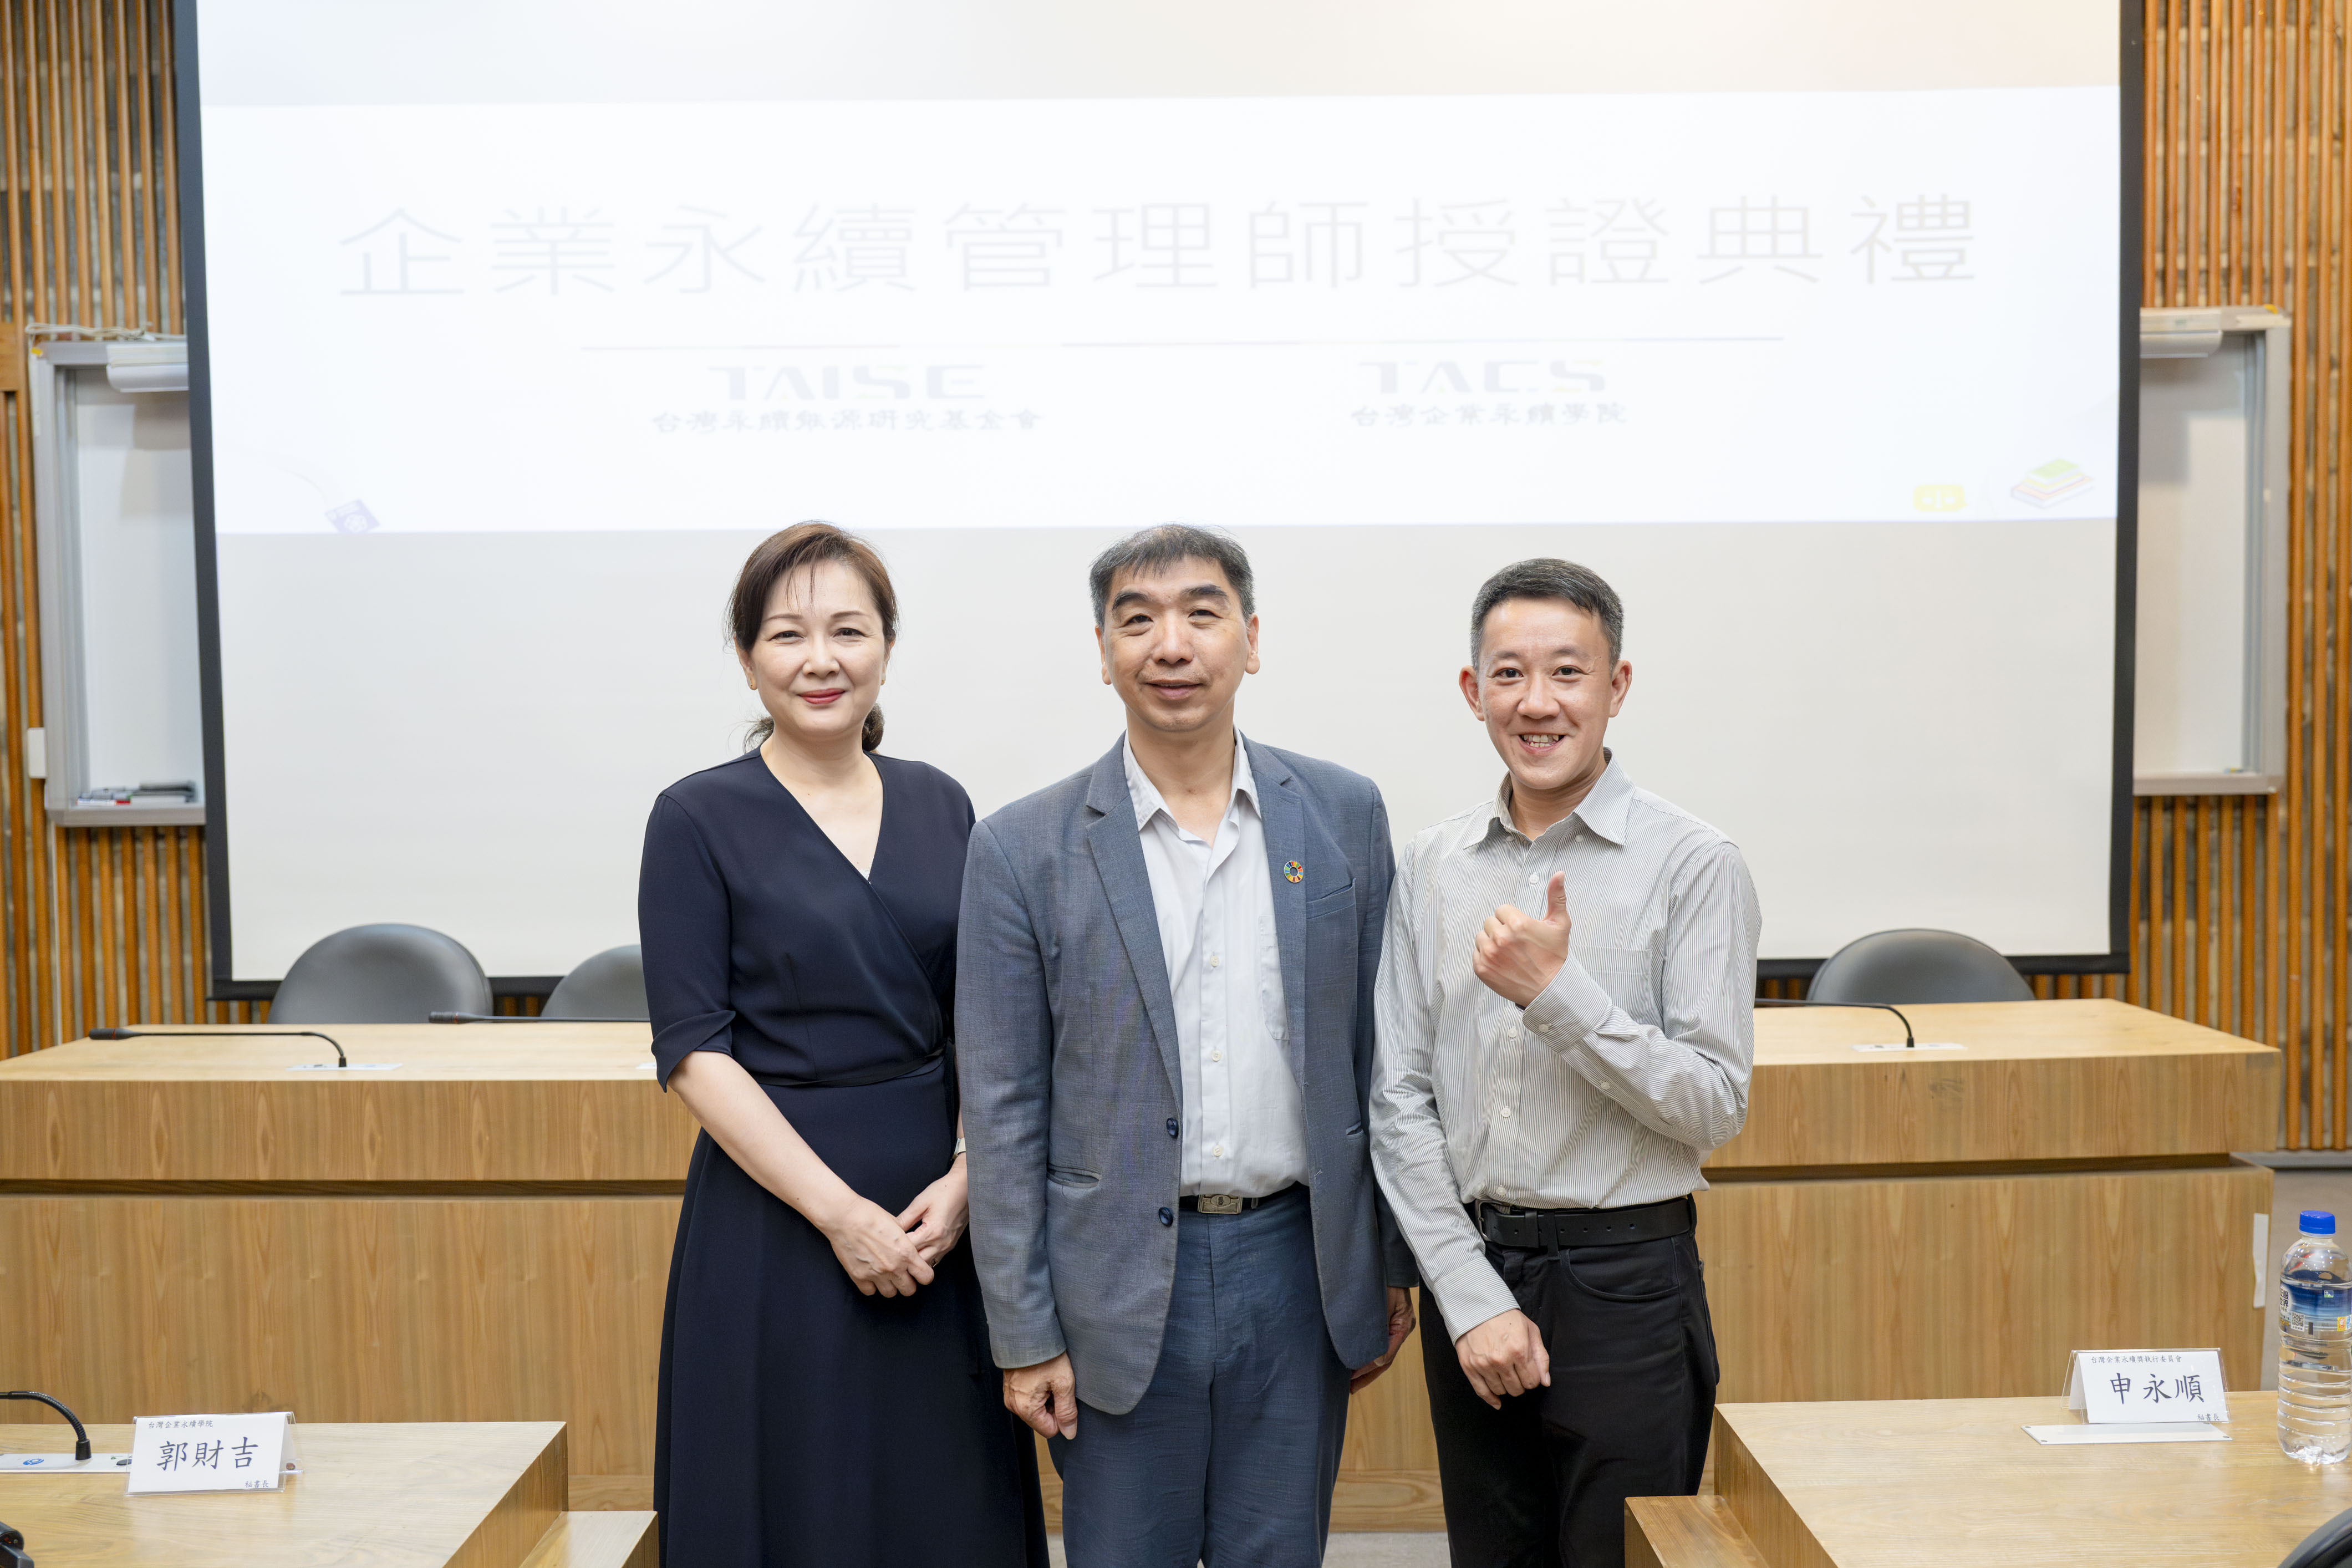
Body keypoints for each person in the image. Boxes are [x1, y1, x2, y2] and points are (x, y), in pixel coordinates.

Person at [957, 524, 1419, 1567]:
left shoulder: (1344, 814)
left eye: (1202, 614)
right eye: (1138, 619)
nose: (1172, 644)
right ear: (1103, 648)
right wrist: (1023, 1330)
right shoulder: (1020, 847)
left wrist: (1384, 1263)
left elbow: (1378, 1057)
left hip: (1296, 1266)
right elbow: (1000, 1104)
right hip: (1111, 1281)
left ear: (1250, 640)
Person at [640, 522, 1047, 1568]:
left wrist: (966, 1178)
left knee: (941, 1499)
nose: (819, 660)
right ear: (747, 658)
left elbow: (984, 1018)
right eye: (786, 635)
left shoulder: (940, 800)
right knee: (788, 1493)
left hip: (936, 1216)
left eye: (847, 631)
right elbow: (694, 1051)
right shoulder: (693, 817)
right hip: (779, 1218)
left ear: (887, 647)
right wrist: (842, 1218)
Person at [1369, 558, 1762, 1568]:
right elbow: (1399, 1097)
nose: (1536, 703)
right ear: (1472, 692)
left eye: (1567, 674)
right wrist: (1468, 1293)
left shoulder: (1693, 863)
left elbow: (1713, 1105)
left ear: (1616, 687)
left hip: (1625, 1283)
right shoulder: (1431, 863)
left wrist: (1559, 998)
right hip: (1475, 1267)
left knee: (1622, 1557)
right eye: (1507, 675)